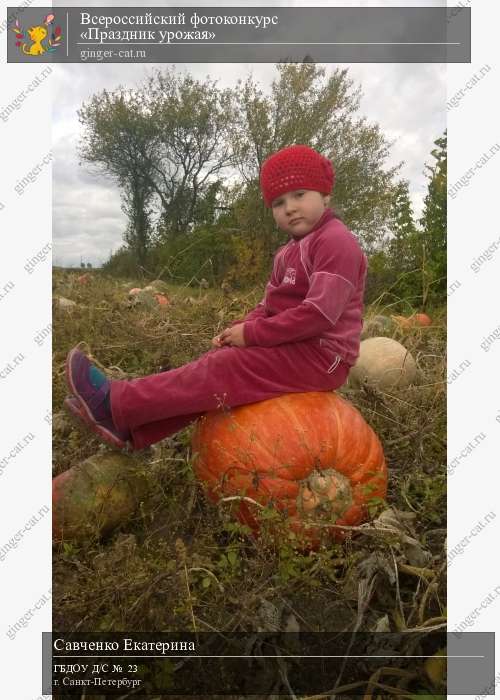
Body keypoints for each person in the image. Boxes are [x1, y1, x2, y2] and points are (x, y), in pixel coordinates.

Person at [64, 144, 367, 452]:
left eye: (299, 195)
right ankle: (131, 428)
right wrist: (241, 326)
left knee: (226, 369)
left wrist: (252, 334)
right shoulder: (286, 252)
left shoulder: (335, 242)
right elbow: (269, 306)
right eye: (278, 202)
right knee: (217, 365)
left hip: (323, 357)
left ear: (325, 195)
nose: (289, 207)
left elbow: (318, 315)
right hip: (295, 346)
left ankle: (114, 404)